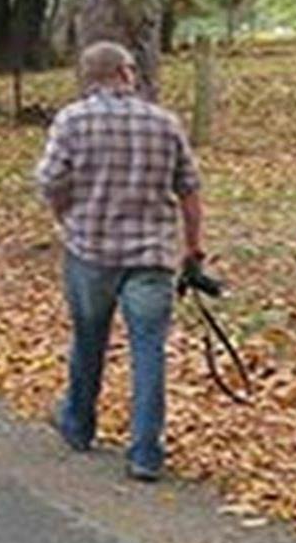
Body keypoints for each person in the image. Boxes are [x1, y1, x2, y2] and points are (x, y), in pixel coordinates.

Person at [34, 39, 205, 482]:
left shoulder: (71, 121)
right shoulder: (165, 123)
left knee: (89, 339)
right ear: (126, 73)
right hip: (151, 257)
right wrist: (193, 247)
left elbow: (50, 181)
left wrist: (65, 217)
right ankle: (145, 453)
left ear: (89, 76)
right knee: (148, 350)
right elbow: (189, 188)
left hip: (90, 251)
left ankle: (78, 425)